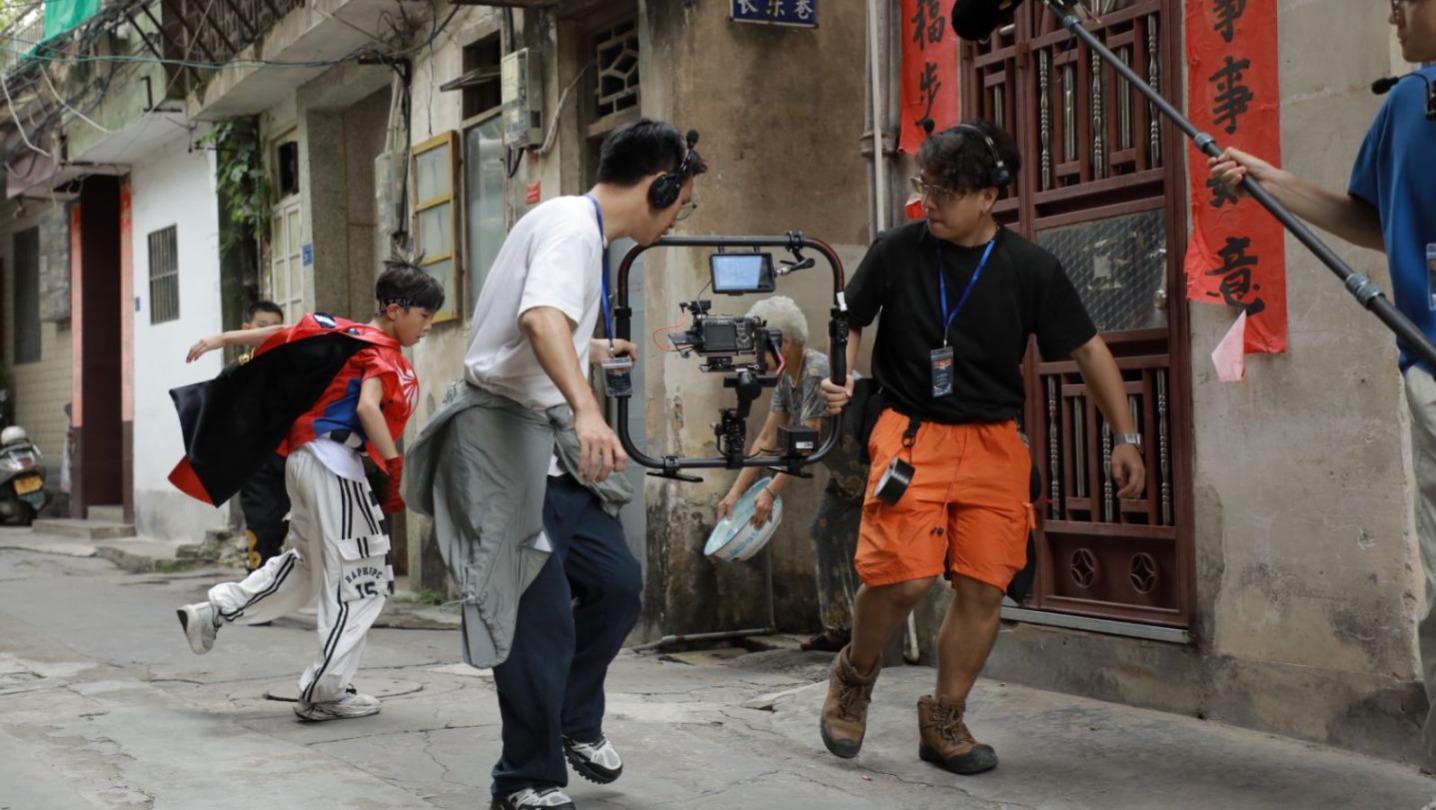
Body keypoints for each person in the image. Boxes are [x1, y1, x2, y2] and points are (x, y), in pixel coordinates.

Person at [816, 120, 1146, 775]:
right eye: (925, 186)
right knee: (903, 577)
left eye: (944, 192)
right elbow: (849, 320)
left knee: (984, 588)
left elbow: (1087, 349)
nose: (928, 203)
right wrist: (842, 375)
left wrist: (1126, 436)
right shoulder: (897, 250)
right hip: (911, 432)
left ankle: (944, 718)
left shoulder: (1029, 267)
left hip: (995, 443)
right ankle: (855, 675)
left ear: (988, 196)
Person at [404, 119, 705, 810]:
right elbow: (539, 319)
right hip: (505, 441)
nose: (677, 218)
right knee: (536, 618)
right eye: (681, 203)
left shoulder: (577, 226)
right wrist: (587, 409)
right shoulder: (573, 228)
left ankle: (572, 720)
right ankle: (525, 779)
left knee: (617, 585)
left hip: (546, 448)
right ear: (660, 187)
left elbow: (538, 324)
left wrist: (589, 350)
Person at [1209, 0, 1436, 767]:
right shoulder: (1410, 103)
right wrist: (1270, 180)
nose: (1394, 13)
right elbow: (1374, 218)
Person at [171, 260, 441, 722]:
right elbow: (369, 408)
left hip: (304, 460)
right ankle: (325, 690)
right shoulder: (380, 351)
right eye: (424, 315)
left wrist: (222, 339)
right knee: (361, 578)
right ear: (396, 310)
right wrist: (395, 465)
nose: (428, 325)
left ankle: (215, 611)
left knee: (305, 566)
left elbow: (284, 332)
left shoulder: (343, 331)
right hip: (335, 463)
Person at [715, 295, 867, 652]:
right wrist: (735, 493)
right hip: (846, 478)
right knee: (824, 533)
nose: (756, 356)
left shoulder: (816, 371)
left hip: (871, 472)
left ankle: (866, 637)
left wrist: (770, 491)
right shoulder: (788, 378)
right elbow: (766, 438)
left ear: (781, 342)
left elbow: (808, 442)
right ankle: (839, 630)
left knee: (869, 555)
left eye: (759, 346)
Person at [236, 300, 290, 572]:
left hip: (293, 460)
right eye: (262, 326)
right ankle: (257, 589)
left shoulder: (294, 367)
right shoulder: (239, 370)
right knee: (263, 532)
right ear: (247, 329)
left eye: (276, 327)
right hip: (256, 468)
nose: (269, 332)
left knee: (288, 530)